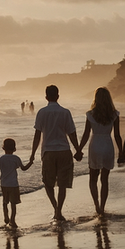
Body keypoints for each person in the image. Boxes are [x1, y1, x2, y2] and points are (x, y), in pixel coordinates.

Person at [28, 84, 82, 222]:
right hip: (64, 150)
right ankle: (59, 211)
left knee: (48, 183)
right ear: (58, 96)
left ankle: (56, 209)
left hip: (48, 152)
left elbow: (37, 135)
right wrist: (78, 149)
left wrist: (33, 153)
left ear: (46, 97)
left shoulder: (41, 112)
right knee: (62, 184)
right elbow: (72, 133)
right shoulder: (65, 112)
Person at [77, 87, 123, 216]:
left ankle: (96, 205)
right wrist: (122, 151)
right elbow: (118, 135)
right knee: (105, 179)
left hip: (95, 144)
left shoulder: (91, 114)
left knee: (93, 178)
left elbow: (86, 134)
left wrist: (79, 149)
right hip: (108, 144)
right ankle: (103, 206)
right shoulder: (114, 114)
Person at [0, 138, 33, 227]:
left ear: (3, 148)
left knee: (5, 202)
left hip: (4, 184)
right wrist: (30, 162)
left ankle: (6, 217)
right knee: (13, 203)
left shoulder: (1, 159)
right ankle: (12, 220)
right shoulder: (16, 158)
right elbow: (23, 168)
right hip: (14, 184)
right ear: (14, 149)